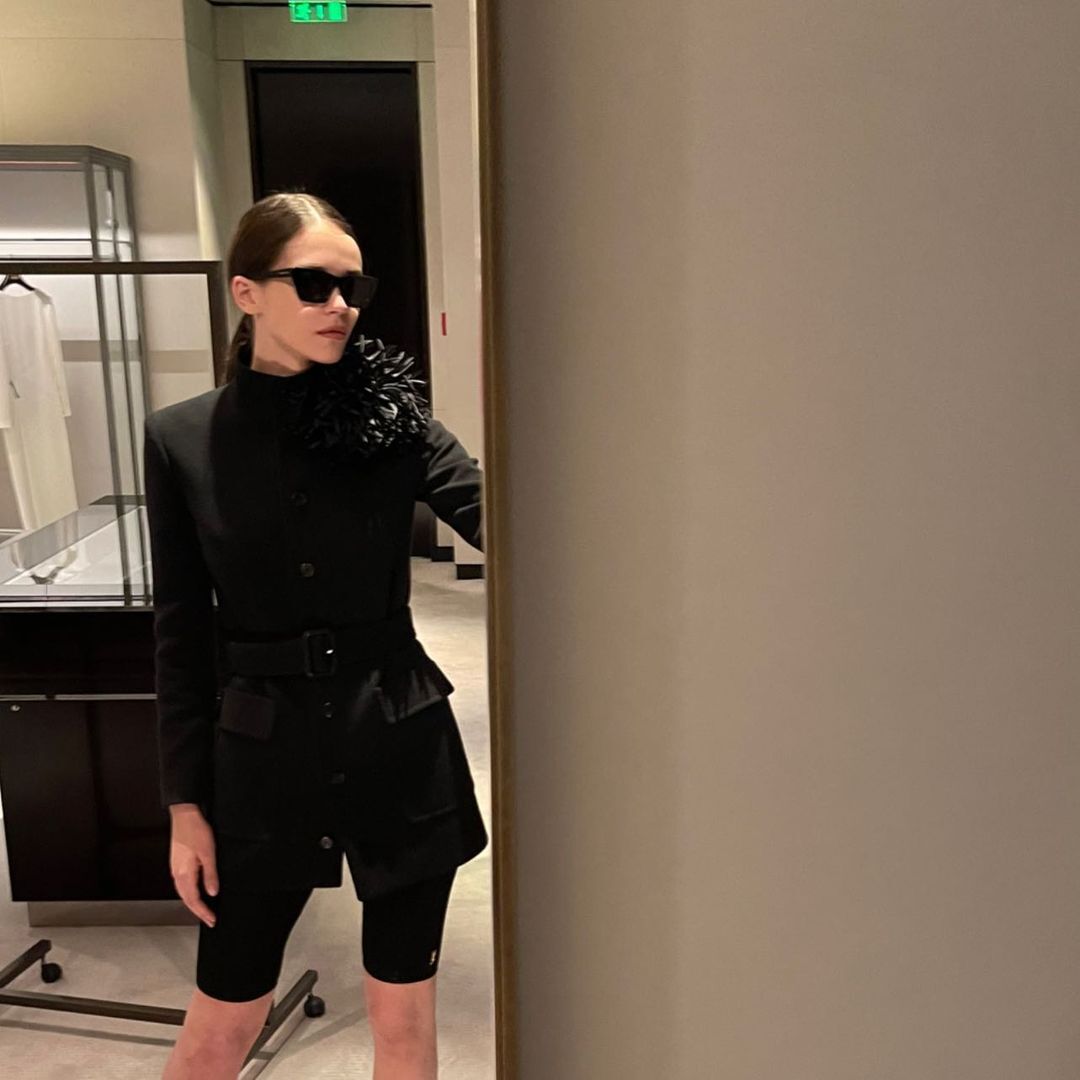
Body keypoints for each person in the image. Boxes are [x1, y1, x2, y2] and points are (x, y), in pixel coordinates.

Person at [143, 192, 488, 1080]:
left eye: (352, 287)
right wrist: (185, 806)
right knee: (221, 1023)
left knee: (403, 1018)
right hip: (259, 761)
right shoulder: (183, 439)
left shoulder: (395, 422)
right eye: (314, 284)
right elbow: (181, 634)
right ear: (247, 292)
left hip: (400, 745)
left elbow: (504, 521)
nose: (341, 305)